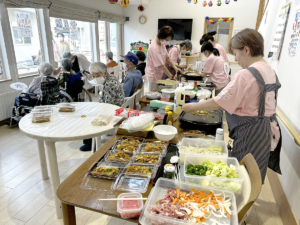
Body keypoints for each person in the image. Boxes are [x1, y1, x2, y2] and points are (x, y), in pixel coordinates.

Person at [182, 28, 282, 184]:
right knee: (254, 173)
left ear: (246, 50)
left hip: (250, 132)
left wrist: (192, 107)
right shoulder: (270, 70)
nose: (236, 58)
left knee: (240, 176)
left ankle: (240, 203)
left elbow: (220, 101)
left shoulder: (247, 74)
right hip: (267, 130)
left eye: (235, 54)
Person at [80, 62, 125, 151]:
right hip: (115, 106)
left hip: (114, 109)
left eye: (98, 75)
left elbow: (108, 104)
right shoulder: (109, 79)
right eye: (93, 75)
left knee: (89, 117)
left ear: (104, 73)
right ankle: (90, 141)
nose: (95, 78)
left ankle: (91, 143)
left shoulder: (110, 83)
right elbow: (104, 99)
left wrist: (96, 109)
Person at [145, 26, 180, 91]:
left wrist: (175, 67)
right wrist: (172, 77)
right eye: (167, 40)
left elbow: (168, 57)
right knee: (153, 94)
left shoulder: (161, 44)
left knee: (158, 92)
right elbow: (162, 66)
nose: (167, 42)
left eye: (169, 40)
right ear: (161, 37)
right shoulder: (154, 47)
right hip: (153, 75)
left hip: (159, 73)